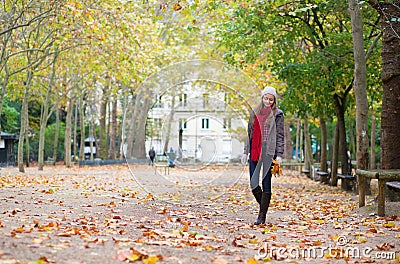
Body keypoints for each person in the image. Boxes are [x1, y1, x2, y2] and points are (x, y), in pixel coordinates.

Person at [242, 86, 284, 225]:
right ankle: (263, 206)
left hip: (268, 152)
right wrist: (245, 152)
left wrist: (279, 155)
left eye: (271, 99)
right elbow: (249, 134)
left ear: (274, 100)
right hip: (255, 150)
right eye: (266, 98)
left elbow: (279, 135)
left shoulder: (278, 114)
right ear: (262, 98)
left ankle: (262, 216)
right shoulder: (254, 112)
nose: (268, 101)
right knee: (254, 184)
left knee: (266, 184)